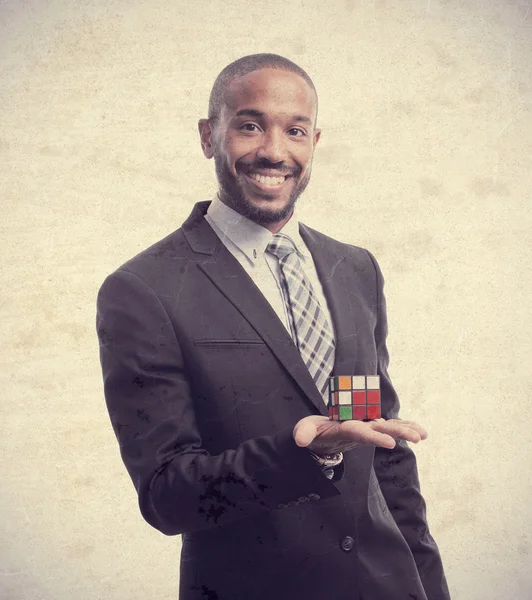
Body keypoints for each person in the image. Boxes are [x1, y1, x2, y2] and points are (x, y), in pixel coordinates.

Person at [96, 53, 450, 600]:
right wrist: (302, 453)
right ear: (208, 135)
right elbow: (168, 496)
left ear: (314, 143)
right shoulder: (144, 291)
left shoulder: (355, 269)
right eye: (250, 125)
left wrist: (430, 587)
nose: (274, 151)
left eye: (296, 131)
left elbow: (383, 453)